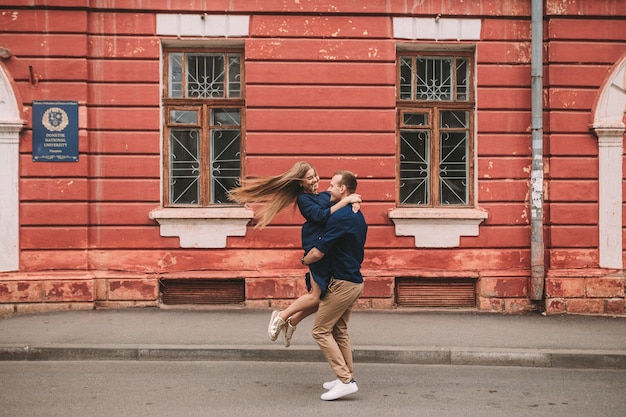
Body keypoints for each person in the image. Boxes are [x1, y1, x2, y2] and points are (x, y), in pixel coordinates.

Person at [227, 161, 361, 347]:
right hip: (315, 248)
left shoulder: (323, 195)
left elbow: (341, 192)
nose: (315, 180)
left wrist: (354, 197)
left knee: (322, 297)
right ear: (300, 182)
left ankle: (292, 322)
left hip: (325, 249)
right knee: (316, 296)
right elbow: (321, 216)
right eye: (309, 178)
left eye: (315, 175)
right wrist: (347, 200)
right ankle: (280, 316)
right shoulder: (303, 199)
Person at [300, 170, 367, 401]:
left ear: (343, 190)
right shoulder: (357, 214)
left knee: (320, 330)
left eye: (332, 185)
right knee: (339, 330)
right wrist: (353, 199)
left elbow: (318, 252)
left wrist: (304, 259)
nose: (327, 188)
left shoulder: (340, 217)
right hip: (354, 280)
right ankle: (345, 377)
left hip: (343, 284)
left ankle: (346, 381)